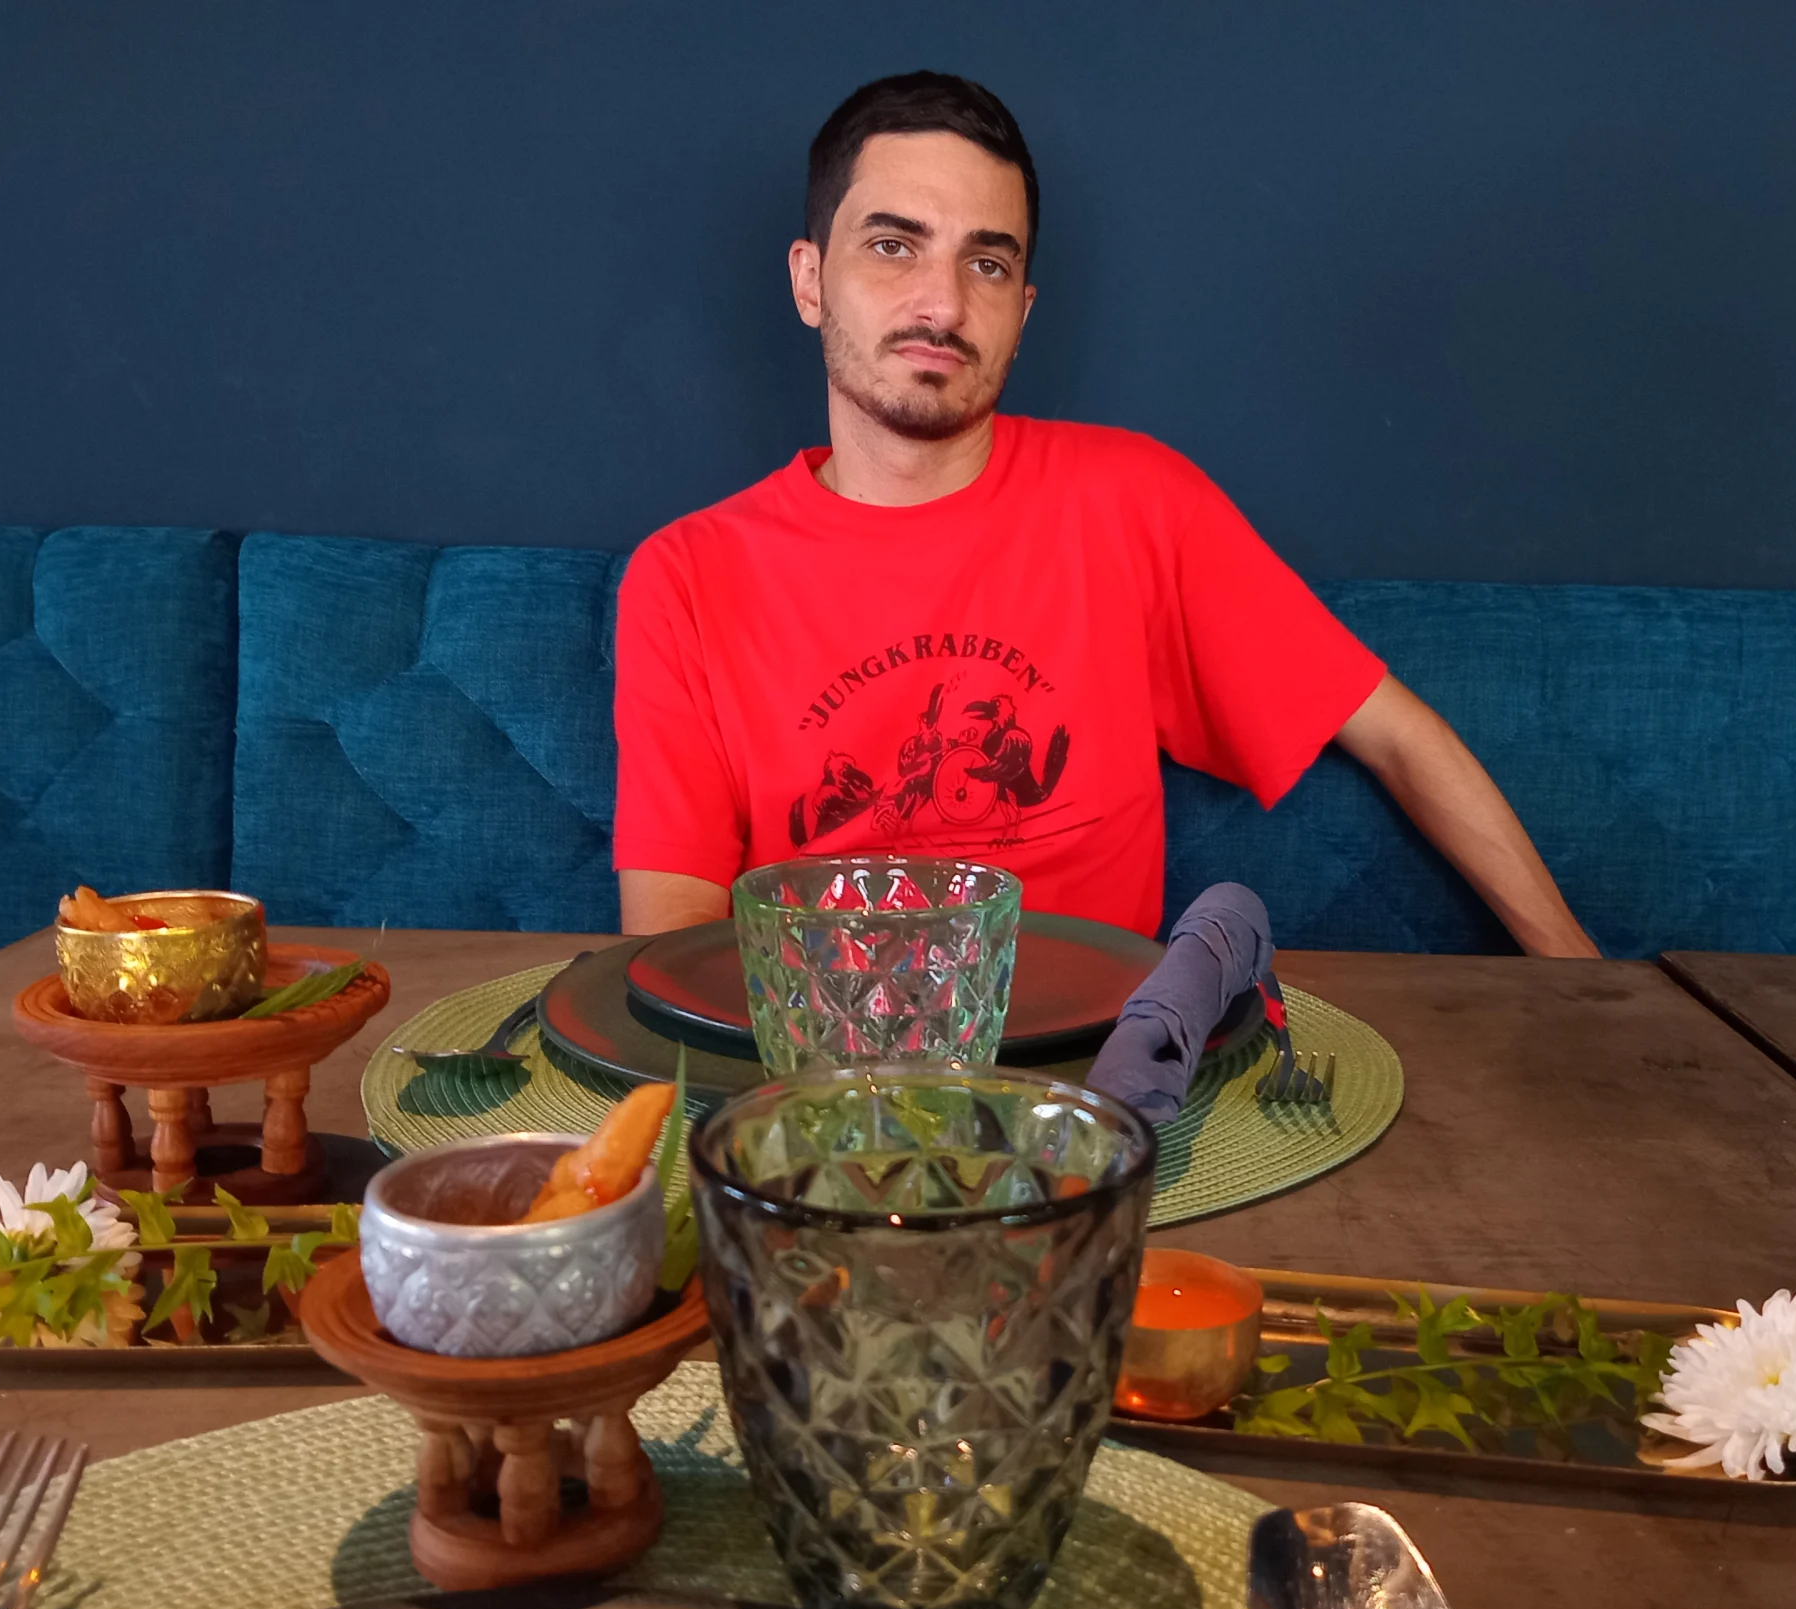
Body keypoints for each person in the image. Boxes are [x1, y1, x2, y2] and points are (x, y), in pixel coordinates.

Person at [614, 71, 1598, 956]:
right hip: (821, 1070)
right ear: (809, 280)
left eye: (986, 264)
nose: (941, 305)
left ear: (1023, 311)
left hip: (1094, 1069)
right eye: (892, 246)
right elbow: (667, 947)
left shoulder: (1135, 502)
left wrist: (1584, 988)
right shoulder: (687, 576)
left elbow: (1397, 736)